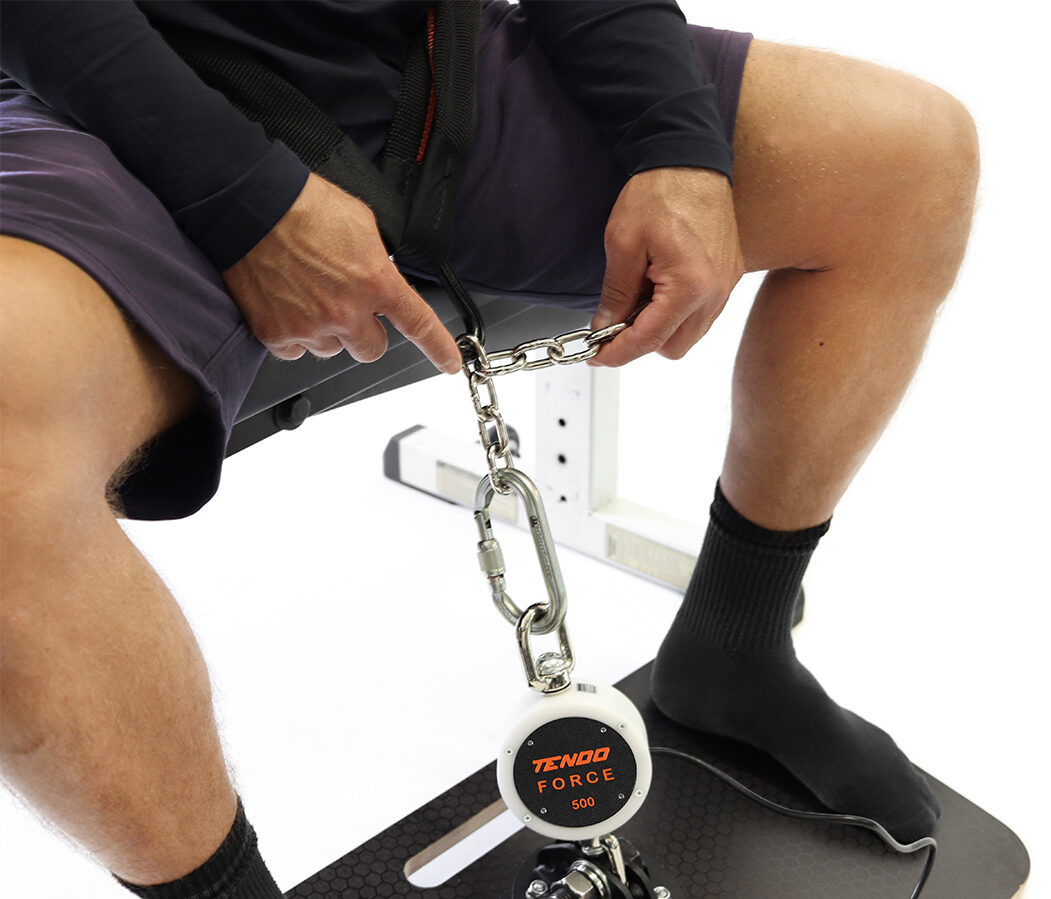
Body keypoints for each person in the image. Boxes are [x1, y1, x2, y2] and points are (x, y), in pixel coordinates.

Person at [0, 0, 978, 896]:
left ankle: (736, 643)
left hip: (402, 73)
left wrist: (670, 136)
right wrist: (241, 196)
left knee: (909, 158)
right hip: (93, 104)